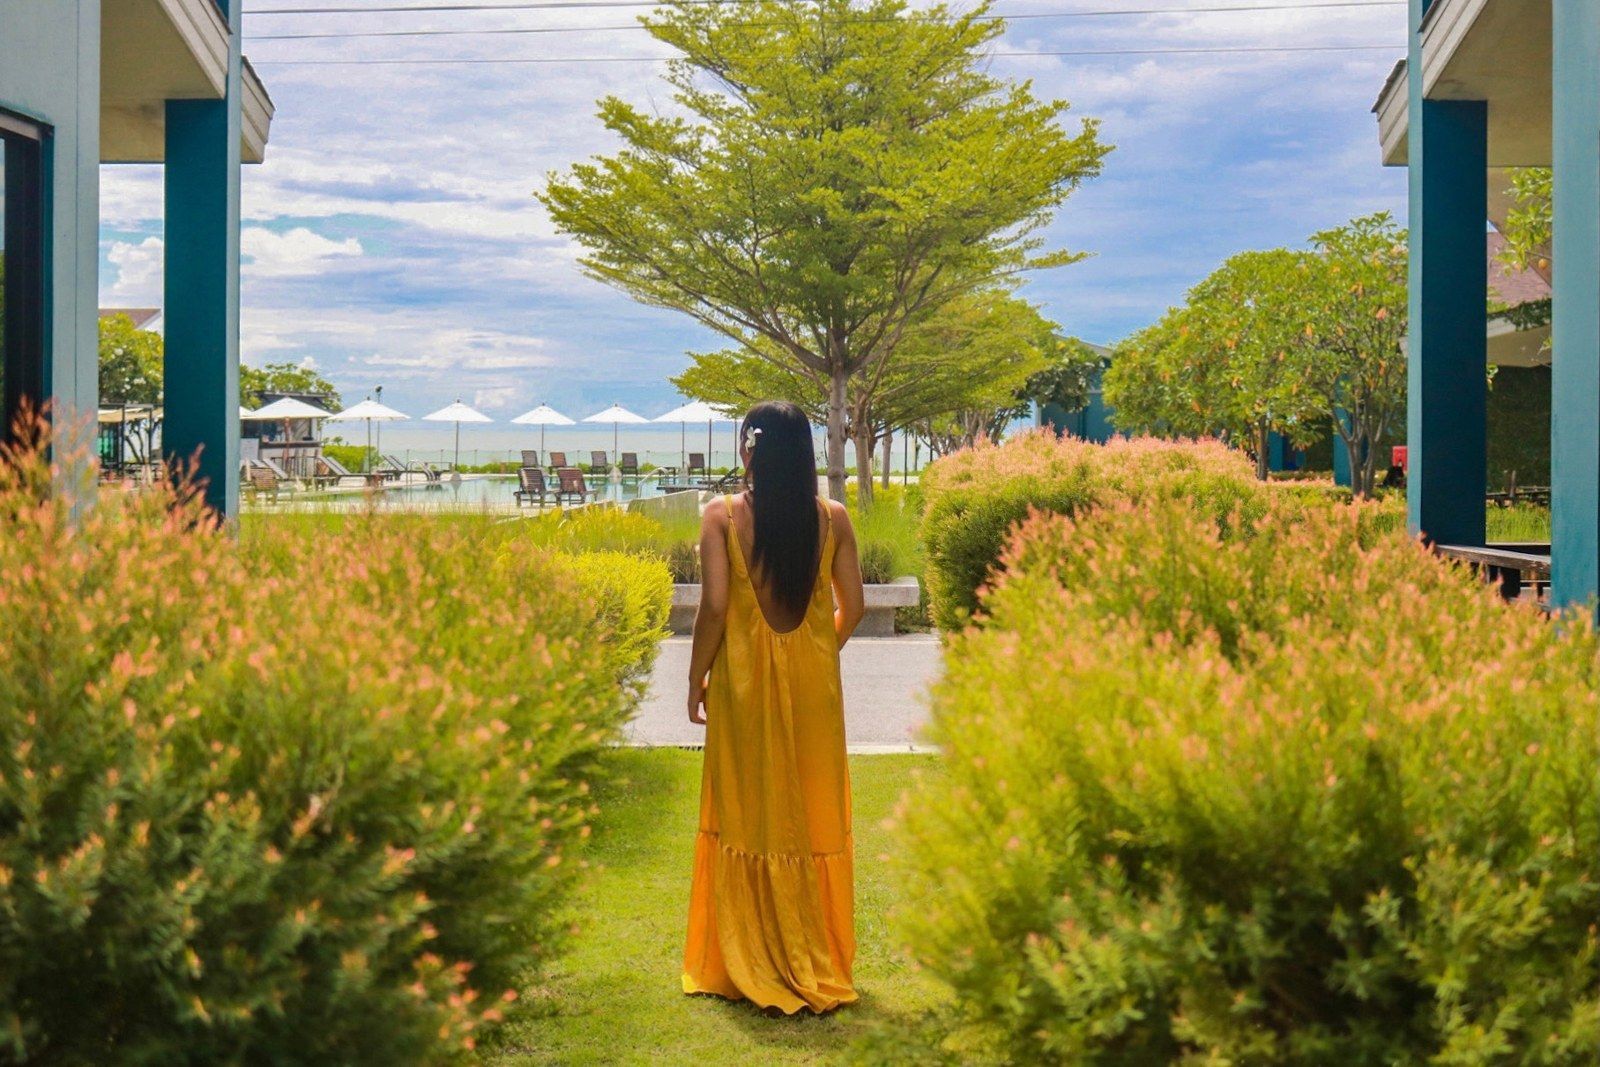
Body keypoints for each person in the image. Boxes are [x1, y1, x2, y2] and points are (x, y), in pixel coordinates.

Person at [681, 400, 866, 1015]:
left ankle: (746, 954)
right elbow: (854, 607)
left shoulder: (720, 515)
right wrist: (816, 651)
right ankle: (813, 950)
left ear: (751, 449)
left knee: (747, 810)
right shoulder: (832, 517)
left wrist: (696, 679)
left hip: (742, 686)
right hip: (816, 688)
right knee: (810, 814)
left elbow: (712, 608)